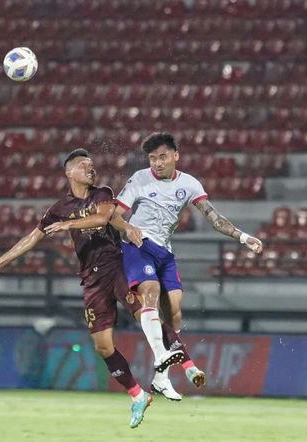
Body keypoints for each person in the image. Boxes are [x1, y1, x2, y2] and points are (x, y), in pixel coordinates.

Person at [0, 148, 180, 428]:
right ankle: (137, 395)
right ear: (69, 172)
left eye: (92, 165)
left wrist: (67, 225)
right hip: (92, 280)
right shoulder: (59, 209)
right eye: (84, 165)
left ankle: (181, 358)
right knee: (103, 346)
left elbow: (102, 218)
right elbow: (32, 238)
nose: (91, 169)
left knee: (144, 312)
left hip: (117, 267)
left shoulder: (103, 194)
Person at [110, 132, 264, 401]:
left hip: (165, 254)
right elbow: (114, 215)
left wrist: (243, 236)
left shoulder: (190, 184)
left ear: (176, 155)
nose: (157, 163)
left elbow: (213, 218)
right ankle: (161, 355)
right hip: (139, 246)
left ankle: (161, 378)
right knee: (150, 291)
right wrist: (129, 227)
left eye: (163, 156)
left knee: (175, 314)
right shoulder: (139, 178)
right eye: (153, 158)